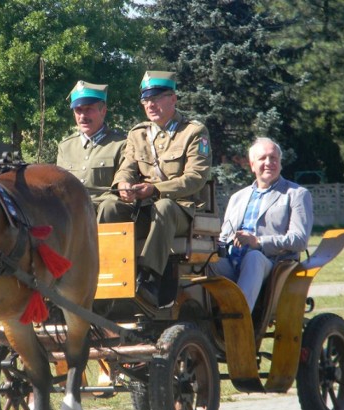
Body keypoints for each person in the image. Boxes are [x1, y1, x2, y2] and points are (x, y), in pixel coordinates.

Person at [98, 70, 212, 307]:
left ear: (173, 99)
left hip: (180, 211)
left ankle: (150, 279)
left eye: (157, 98)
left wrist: (155, 189)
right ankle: (109, 275)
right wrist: (123, 184)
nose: (150, 104)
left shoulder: (193, 132)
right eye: (146, 100)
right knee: (109, 206)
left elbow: (196, 178)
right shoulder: (138, 134)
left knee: (164, 206)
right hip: (144, 207)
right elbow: (126, 168)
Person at [210, 137, 314, 312]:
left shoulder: (296, 194)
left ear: (280, 163)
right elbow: (224, 237)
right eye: (262, 158)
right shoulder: (238, 197)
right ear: (252, 165)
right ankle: (196, 324)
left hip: (271, 265)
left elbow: (300, 240)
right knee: (200, 260)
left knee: (253, 258)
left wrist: (258, 241)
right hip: (230, 263)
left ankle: (238, 323)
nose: (269, 163)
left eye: (273, 158)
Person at [57, 80, 126, 208]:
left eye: (89, 109)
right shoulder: (65, 147)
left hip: (104, 211)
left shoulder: (120, 144)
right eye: (78, 110)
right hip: (72, 213)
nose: (83, 116)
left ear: (103, 111)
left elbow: (120, 190)